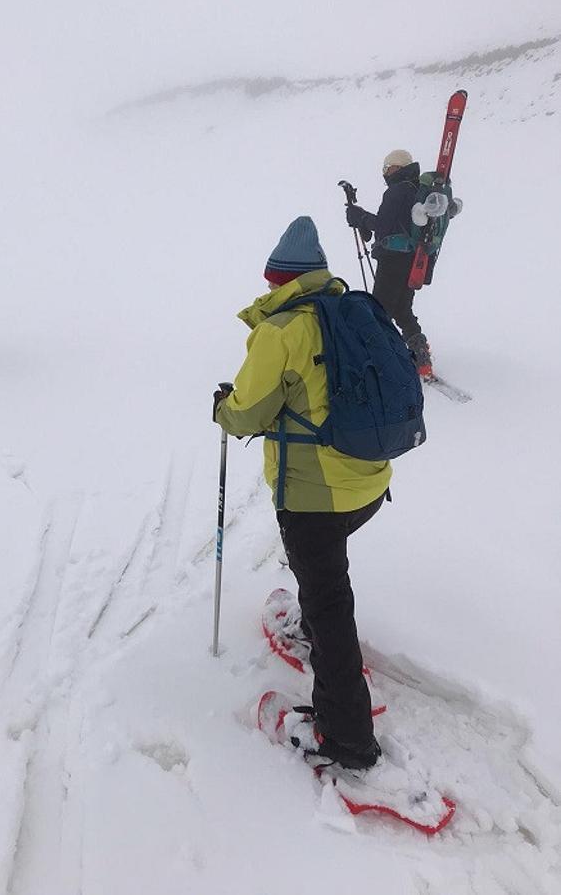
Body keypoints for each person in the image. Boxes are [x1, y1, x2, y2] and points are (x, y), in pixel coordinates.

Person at [213, 216, 390, 770]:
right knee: (325, 584)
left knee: (328, 597)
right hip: (370, 481)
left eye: (273, 282)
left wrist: (223, 407)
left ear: (283, 281)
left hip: (316, 496)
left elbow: (246, 414)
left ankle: (347, 738)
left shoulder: (282, 330)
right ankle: (314, 625)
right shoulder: (351, 313)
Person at [344, 149, 433, 376]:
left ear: (397, 167)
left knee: (378, 311)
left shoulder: (397, 190)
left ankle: (381, 359)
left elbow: (383, 227)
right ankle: (420, 354)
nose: (385, 173)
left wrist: (361, 217)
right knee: (403, 309)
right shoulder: (417, 190)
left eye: (388, 168)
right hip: (415, 261)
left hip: (394, 260)